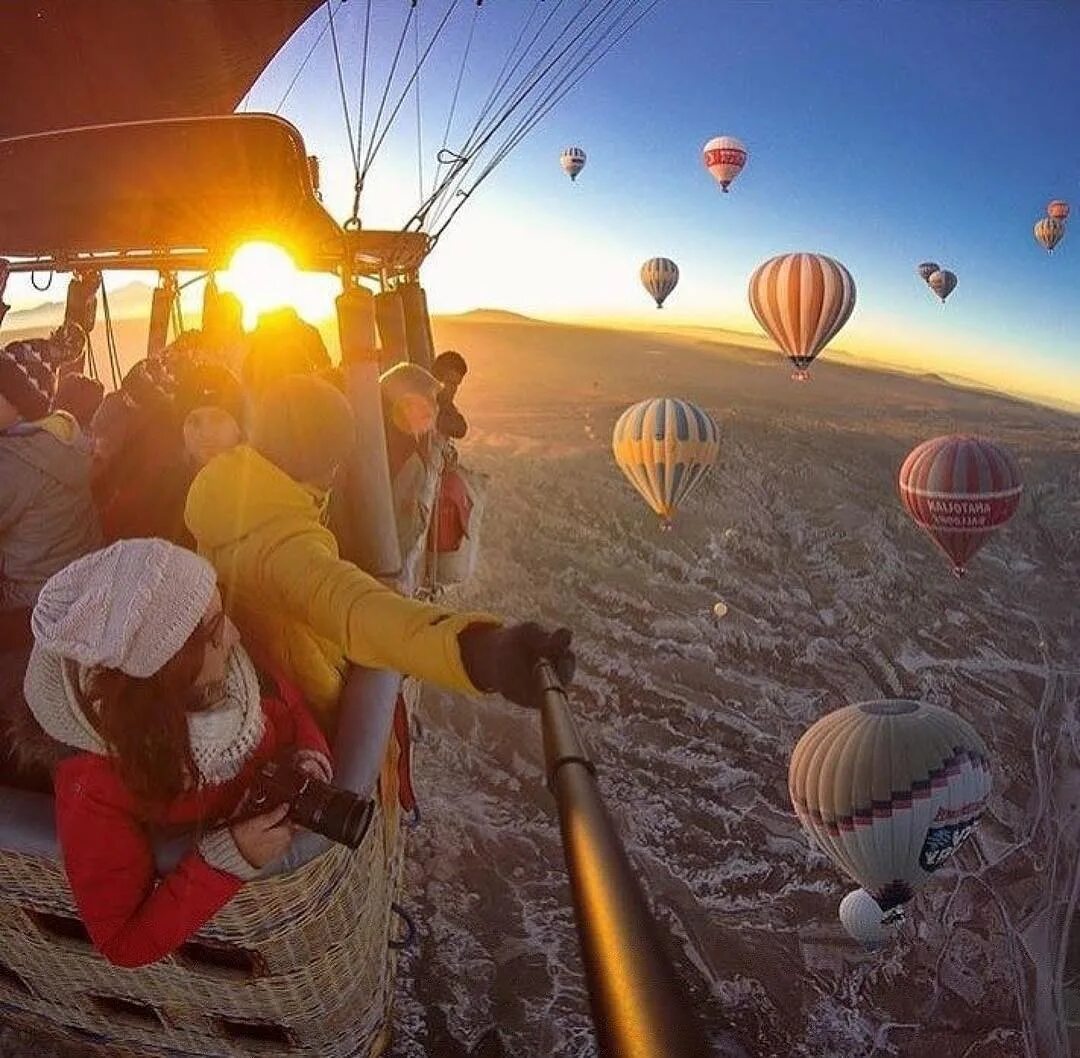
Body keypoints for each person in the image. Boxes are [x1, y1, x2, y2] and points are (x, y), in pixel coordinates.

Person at [185, 374, 574, 724]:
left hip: (270, 675)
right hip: (314, 700)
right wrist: (483, 651)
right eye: (335, 457)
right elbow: (360, 610)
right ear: (325, 462)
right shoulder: (284, 547)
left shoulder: (227, 491)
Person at [22, 538, 333, 968]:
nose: (235, 634)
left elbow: (289, 702)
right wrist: (229, 858)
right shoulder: (95, 783)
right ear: (168, 675)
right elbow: (121, 942)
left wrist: (309, 755)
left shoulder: (233, 665)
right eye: (215, 628)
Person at [1, 340, 101, 784]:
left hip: (31, 604)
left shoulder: (12, 462)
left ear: (14, 404)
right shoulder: (64, 434)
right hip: (81, 587)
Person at [432, 350, 468, 440]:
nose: (454, 389)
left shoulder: (445, 405)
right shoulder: (426, 404)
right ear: (437, 378)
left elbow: (461, 428)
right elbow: (459, 429)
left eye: (456, 384)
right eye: (449, 382)